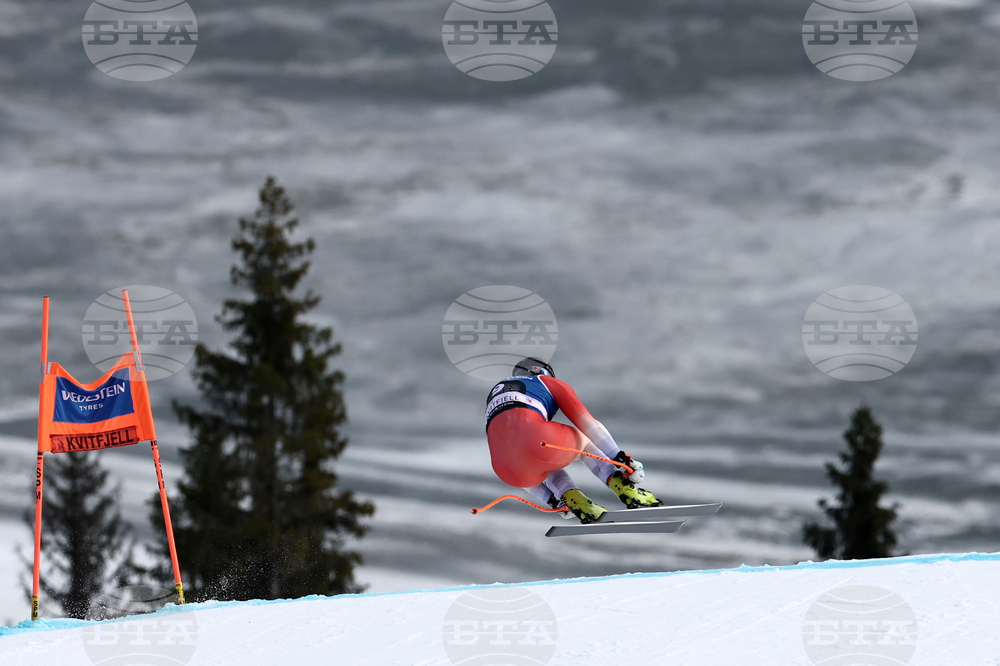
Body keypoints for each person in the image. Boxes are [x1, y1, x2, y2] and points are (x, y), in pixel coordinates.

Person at [485, 357, 662, 524]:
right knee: (584, 442)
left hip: (506, 470)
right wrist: (620, 458)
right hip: (537, 440)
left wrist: (552, 500)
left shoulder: (493, 395)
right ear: (542, 371)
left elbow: (511, 448)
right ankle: (624, 488)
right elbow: (587, 422)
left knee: (543, 464)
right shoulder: (545, 382)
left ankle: (575, 501)